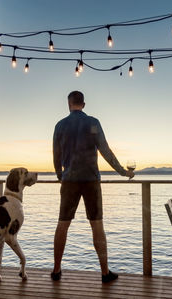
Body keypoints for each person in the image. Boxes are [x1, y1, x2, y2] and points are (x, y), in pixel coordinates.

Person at [51, 91, 134, 283]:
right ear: (84, 104)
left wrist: (59, 175)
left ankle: (56, 270)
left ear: (68, 104)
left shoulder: (60, 125)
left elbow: (56, 153)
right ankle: (105, 273)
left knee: (62, 224)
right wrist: (122, 171)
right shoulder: (93, 123)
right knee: (97, 225)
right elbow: (105, 150)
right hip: (90, 180)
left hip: (69, 180)